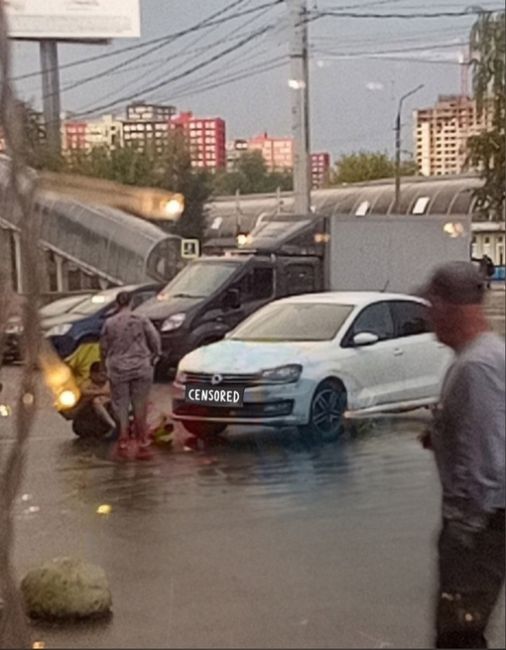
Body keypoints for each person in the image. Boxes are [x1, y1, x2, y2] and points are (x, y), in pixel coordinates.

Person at [420, 261, 505, 649]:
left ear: (452, 306)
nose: (428, 312)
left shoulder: (476, 366)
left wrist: (465, 531)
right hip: (486, 522)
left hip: (479, 527)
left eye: (432, 301)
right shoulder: (486, 355)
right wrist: (441, 435)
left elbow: (485, 460)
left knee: (459, 637)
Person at [100, 291, 161, 460]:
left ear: (117, 303)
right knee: (140, 403)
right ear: (131, 302)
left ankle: (123, 439)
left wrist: (104, 364)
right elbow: (154, 338)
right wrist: (155, 355)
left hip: (118, 367)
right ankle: (142, 439)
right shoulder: (141, 319)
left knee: (121, 404)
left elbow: (103, 346)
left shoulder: (109, 323)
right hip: (141, 365)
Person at [60, 361, 116, 439]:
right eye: (100, 373)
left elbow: (111, 391)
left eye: (105, 372)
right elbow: (82, 391)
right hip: (88, 421)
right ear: (93, 374)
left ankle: (116, 425)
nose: (104, 375)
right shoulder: (86, 384)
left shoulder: (110, 382)